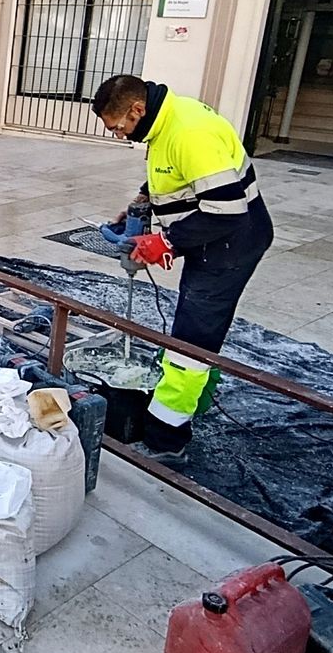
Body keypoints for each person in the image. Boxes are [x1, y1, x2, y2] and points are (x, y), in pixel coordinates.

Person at [93, 74, 274, 461]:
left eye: (119, 127)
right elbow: (175, 172)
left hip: (231, 244)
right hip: (215, 237)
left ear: (137, 109)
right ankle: (196, 393)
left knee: (191, 342)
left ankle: (167, 437)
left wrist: (166, 242)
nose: (119, 135)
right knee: (195, 324)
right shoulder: (165, 121)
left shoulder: (191, 132)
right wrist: (142, 201)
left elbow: (228, 210)